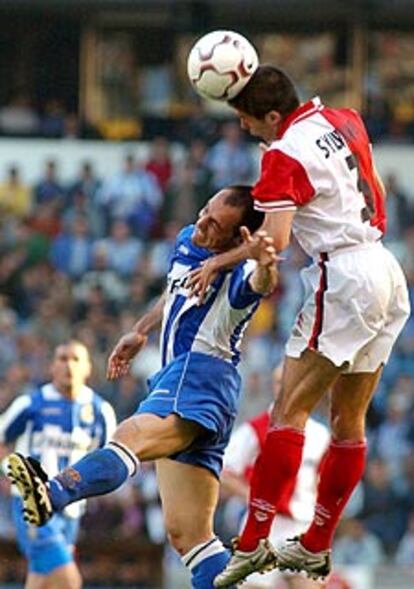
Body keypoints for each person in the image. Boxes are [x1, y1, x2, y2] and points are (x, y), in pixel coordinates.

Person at [185, 65, 411, 587]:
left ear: (270, 114)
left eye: (246, 119)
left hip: (344, 276)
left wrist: (220, 261)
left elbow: (277, 242)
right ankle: (315, 543)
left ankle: (251, 542)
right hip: (384, 265)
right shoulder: (343, 118)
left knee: (287, 409)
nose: (244, 128)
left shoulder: (282, 156)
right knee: (347, 422)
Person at [7, 185, 279, 589]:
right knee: (191, 537)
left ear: (237, 238)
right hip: (193, 385)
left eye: (215, 223)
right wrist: (140, 331)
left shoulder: (240, 278)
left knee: (128, 437)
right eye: (205, 209)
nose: (202, 222)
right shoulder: (189, 239)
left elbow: (263, 279)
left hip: (199, 376)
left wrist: (261, 262)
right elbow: (175, 293)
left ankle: (55, 492)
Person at [0, 340, 117, 589]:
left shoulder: (100, 411)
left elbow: (109, 460)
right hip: (33, 506)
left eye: (75, 359)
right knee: (69, 580)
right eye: (62, 359)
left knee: (42, 579)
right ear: (52, 367)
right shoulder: (30, 404)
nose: (68, 365)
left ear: (87, 368)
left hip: (72, 511)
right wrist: (11, 473)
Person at [221, 366, 330, 589]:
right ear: (274, 386)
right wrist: (257, 499)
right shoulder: (256, 429)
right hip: (263, 525)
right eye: (280, 383)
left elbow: (325, 482)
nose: (286, 389)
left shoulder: (320, 434)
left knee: (308, 585)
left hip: (302, 524)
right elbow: (225, 472)